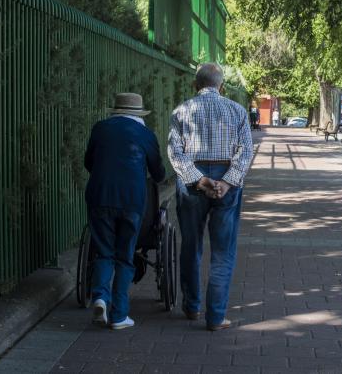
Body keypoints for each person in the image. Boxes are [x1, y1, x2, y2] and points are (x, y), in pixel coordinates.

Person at [168, 63, 253, 331]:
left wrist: (198, 179)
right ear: (222, 86)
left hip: (194, 179)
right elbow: (245, 151)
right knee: (223, 252)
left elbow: (175, 152)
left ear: (196, 85)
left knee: (191, 245)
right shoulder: (237, 111)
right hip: (227, 174)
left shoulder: (182, 111)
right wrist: (227, 182)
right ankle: (215, 317)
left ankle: (192, 307)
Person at [84, 93, 166, 330]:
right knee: (125, 255)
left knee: (103, 252)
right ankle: (119, 315)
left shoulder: (100, 128)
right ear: (139, 113)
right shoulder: (146, 135)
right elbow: (159, 173)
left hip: (100, 197)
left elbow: (89, 162)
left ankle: (100, 297)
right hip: (131, 201)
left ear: (116, 110)